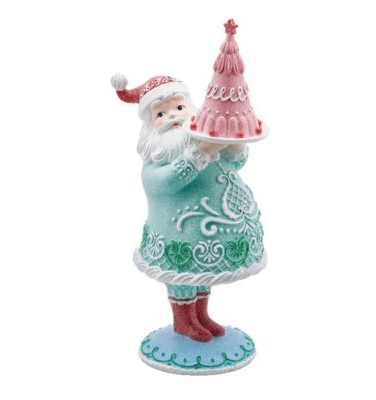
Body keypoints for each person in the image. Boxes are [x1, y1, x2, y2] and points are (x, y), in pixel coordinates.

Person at [111, 74, 266, 342]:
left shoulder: (206, 143)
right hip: (175, 236)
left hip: (212, 240)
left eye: (180, 107)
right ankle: (184, 322)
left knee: (201, 278)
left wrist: (234, 141)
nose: (173, 116)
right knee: (181, 279)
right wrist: (200, 153)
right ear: (150, 127)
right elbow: (165, 183)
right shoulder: (155, 164)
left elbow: (235, 163)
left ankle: (200, 316)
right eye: (161, 114)